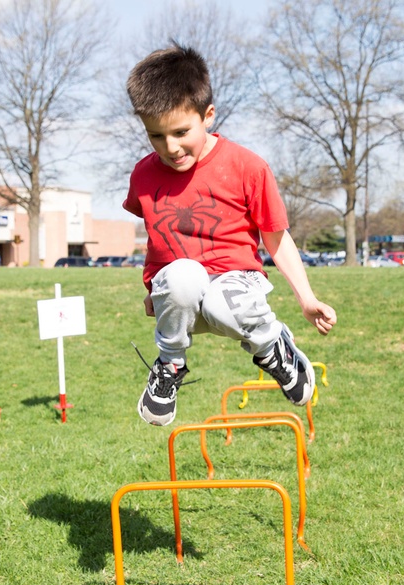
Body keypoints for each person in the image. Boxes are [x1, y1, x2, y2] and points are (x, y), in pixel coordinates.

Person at [123, 44, 336, 426]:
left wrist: (306, 298)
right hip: (183, 297)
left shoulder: (247, 167)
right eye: (156, 136)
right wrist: (154, 291)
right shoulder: (143, 175)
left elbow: (275, 237)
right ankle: (169, 365)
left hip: (237, 291)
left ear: (208, 115)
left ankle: (275, 348)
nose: (170, 147)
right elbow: (158, 236)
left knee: (222, 301)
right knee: (182, 275)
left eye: (181, 132)